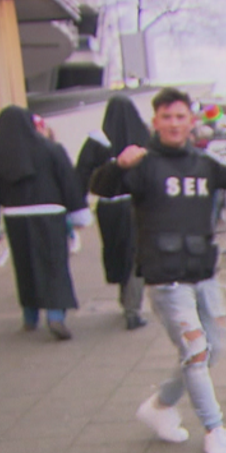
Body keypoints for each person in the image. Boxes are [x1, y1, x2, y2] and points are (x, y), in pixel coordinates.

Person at [90, 88, 226, 453]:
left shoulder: (204, 164)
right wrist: (118, 166)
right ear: (156, 122)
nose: (173, 124)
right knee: (196, 350)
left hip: (204, 274)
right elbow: (101, 187)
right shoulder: (143, 165)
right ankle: (214, 429)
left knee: (212, 348)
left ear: (191, 121)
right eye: (166, 117)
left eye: (180, 116)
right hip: (166, 279)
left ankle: (160, 406)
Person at [0, 106, 90, 340]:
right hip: (51, 216)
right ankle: (55, 315)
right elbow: (68, 183)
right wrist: (78, 213)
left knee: (25, 267)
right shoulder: (52, 150)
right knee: (54, 265)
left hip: (16, 219)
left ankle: (30, 317)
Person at [76, 95, 152, 330]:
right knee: (136, 256)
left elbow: (81, 176)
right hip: (137, 205)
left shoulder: (96, 141)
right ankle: (133, 308)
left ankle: (125, 300)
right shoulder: (145, 138)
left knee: (118, 251)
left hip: (108, 207)